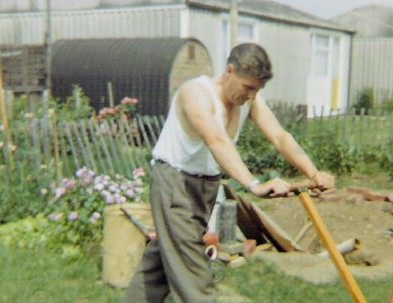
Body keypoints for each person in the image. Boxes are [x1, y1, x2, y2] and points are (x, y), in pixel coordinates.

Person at [125, 43, 334, 303]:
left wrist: (314, 173)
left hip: (205, 187)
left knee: (159, 266)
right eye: (248, 87)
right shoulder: (196, 94)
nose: (251, 96)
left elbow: (280, 137)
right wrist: (254, 184)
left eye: (257, 90)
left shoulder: (250, 100)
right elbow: (217, 141)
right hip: (175, 184)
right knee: (194, 279)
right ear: (230, 71)